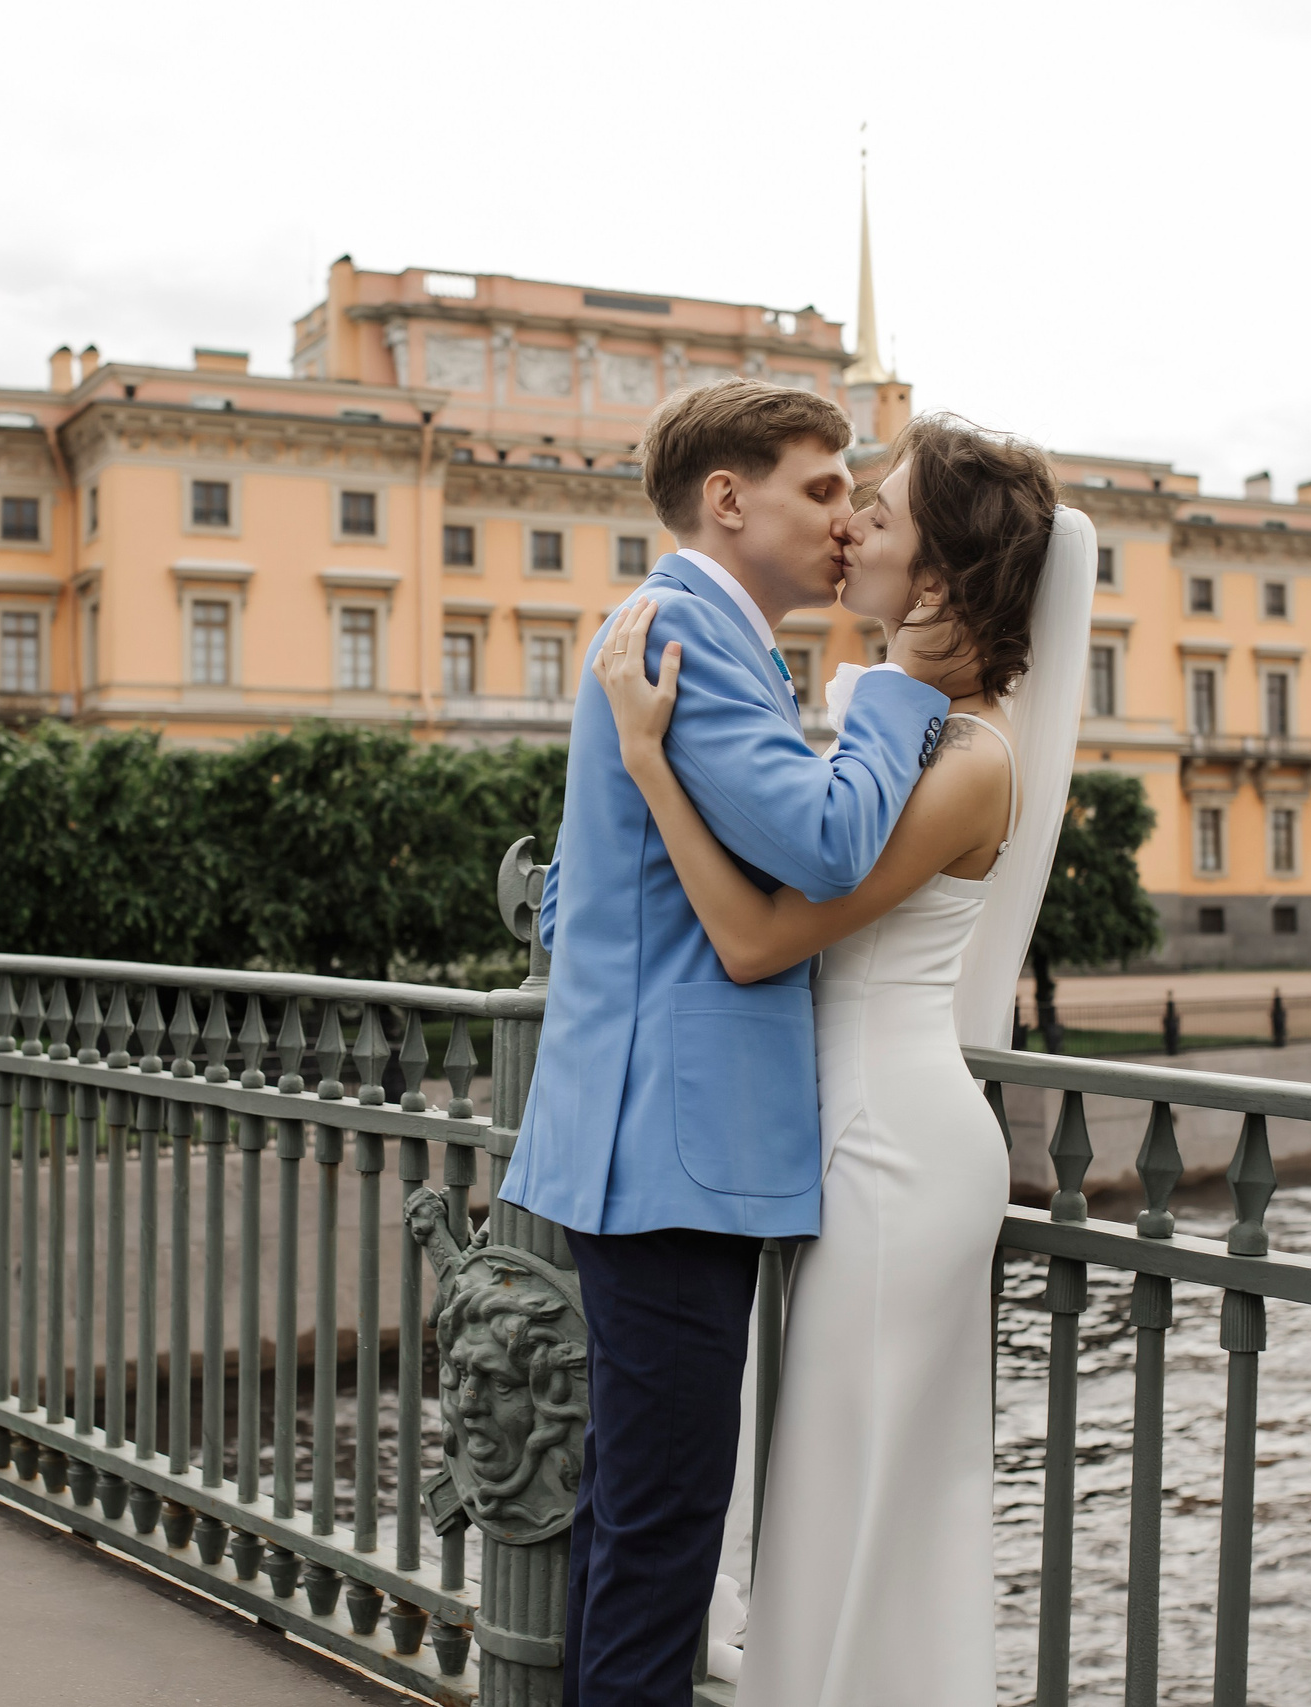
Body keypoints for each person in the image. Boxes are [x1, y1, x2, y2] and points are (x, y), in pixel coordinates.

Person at [591, 414, 1095, 1706]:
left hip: (895, 1149)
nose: (848, 523)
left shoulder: (968, 756)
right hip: (857, 1141)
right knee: (833, 1499)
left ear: (934, 574)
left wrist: (650, 765)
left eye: (879, 506)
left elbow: (761, 941)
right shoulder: (917, 728)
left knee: (857, 1505)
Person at [495, 379, 954, 1707]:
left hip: (639, 1139)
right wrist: (883, 696)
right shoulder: (696, 628)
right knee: (664, 1537)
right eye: (822, 489)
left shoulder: (664, 627)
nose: (846, 523)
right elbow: (820, 841)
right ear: (728, 496)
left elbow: (579, 895)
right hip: (677, 1155)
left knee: (630, 1518)